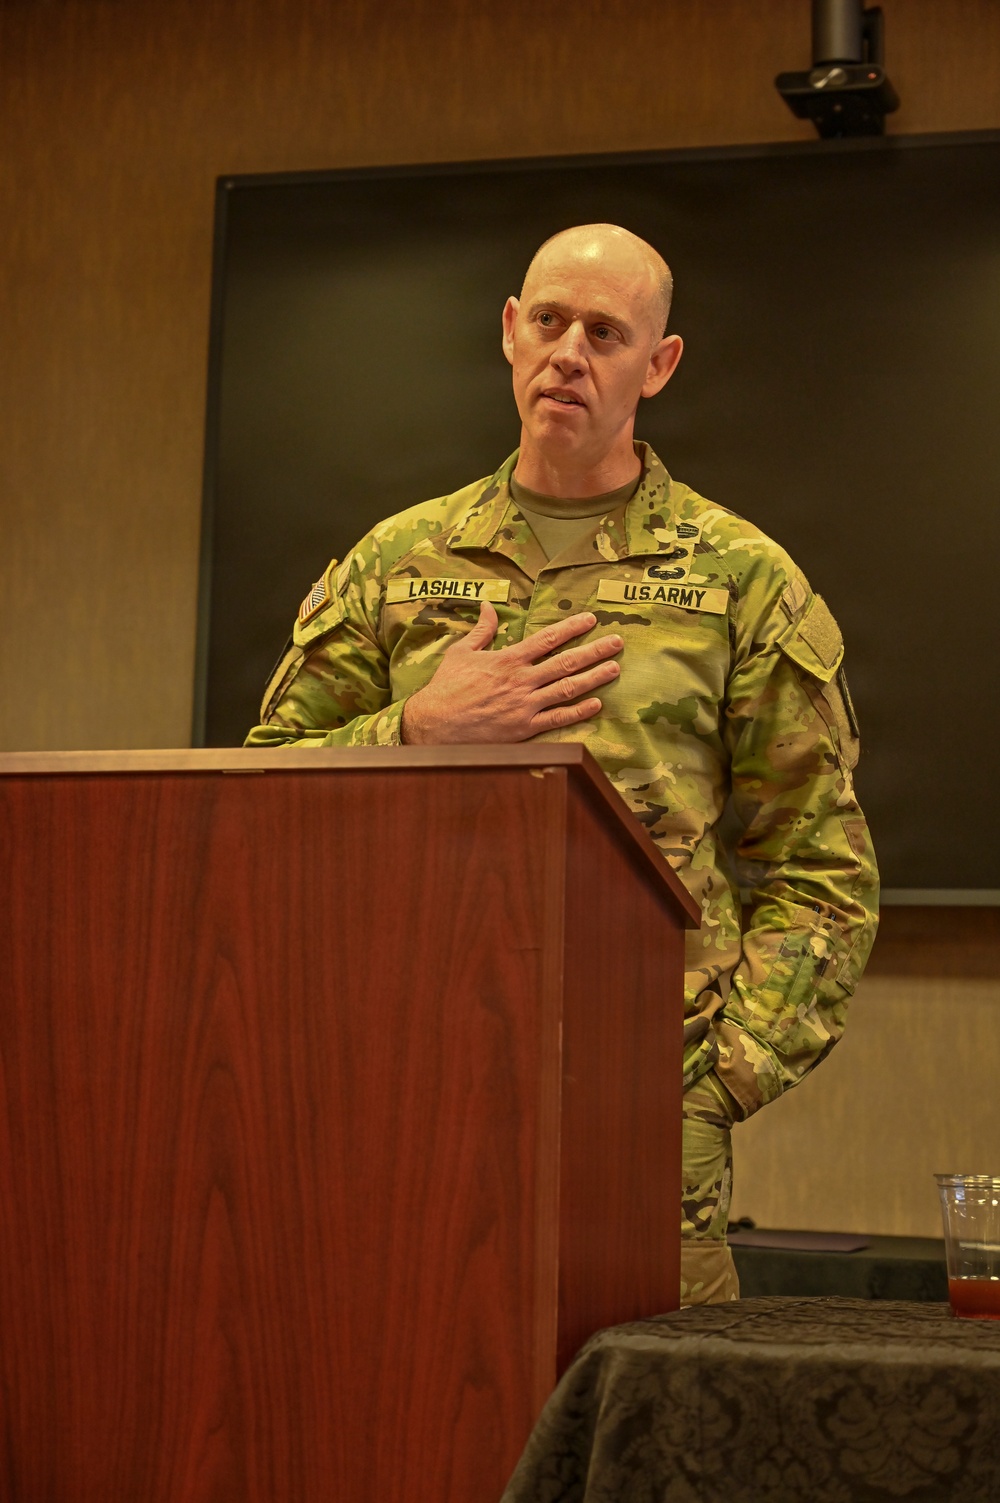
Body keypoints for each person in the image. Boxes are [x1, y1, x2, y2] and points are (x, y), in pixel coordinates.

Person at [246, 223, 879, 1305]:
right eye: (547, 322)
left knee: (649, 1434)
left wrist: (714, 1081)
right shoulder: (398, 562)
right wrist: (410, 733)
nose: (568, 354)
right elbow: (259, 800)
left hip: (636, 1102)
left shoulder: (740, 577)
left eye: (604, 332)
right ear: (507, 333)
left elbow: (821, 871)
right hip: (400, 1080)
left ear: (658, 364)